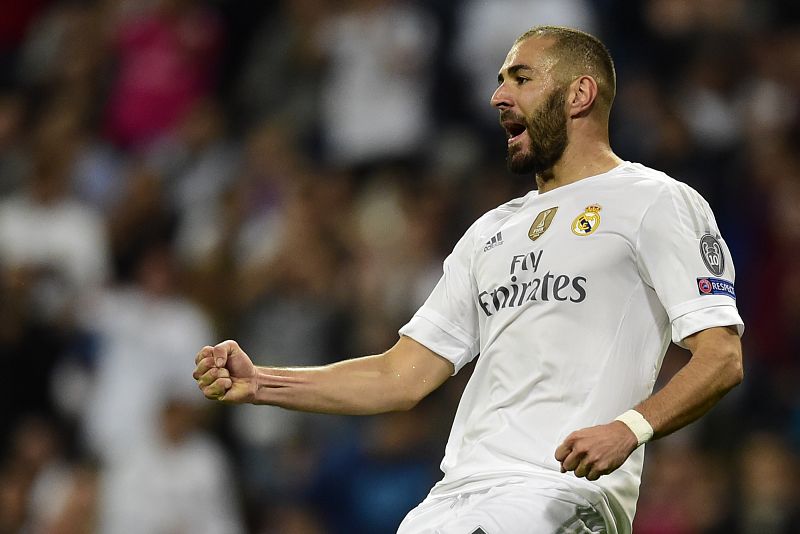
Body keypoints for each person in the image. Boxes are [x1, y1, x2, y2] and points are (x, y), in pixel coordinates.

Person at [193, 26, 744, 533]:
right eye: (500, 81)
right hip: (452, 500)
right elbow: (398, 376)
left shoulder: (655, 201)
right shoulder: (491, 232)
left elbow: (721, 357)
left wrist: (629, 428)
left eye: (521, 79)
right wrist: (261, 383)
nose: (498, 97)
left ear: (580, 95)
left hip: (554, 495)